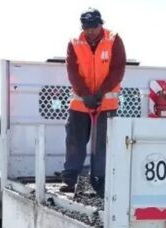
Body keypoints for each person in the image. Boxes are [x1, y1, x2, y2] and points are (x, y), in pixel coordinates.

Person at [60, 8, 126, 196]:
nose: (90, 31)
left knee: (102, 145)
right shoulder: (74, 42)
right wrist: (86, 95)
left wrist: (100, 93)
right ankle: (70, 180)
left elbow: (117, 70)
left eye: (93, 27)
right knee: (75, 141)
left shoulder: (114, 39)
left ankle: (100, 181)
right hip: (80, 104)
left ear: (100, 25)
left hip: (106, 105)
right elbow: (72, 72)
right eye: (86, 28)